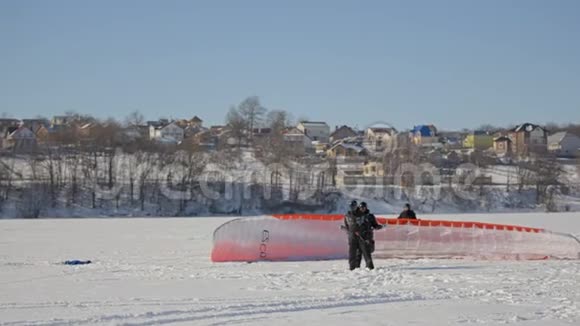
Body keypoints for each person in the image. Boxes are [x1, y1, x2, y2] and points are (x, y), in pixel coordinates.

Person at [343, 201, 383, 270]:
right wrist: (347, 230)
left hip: (365, 236)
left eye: (364, 207)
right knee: (355, 253)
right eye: (361, 207)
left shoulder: (368, 216)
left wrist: (378, 227)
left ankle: (369, 267)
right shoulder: (350, 215)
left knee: (366, 252)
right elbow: (349, 225)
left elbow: (374, 225)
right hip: (354, 237)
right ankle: (354, 267)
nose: (362, 209)